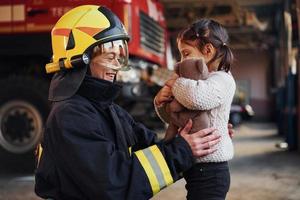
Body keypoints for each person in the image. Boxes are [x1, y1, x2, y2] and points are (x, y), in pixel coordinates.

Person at [34, 5, 222, 200]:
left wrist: (192, 135)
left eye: (119, 57)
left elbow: (149, 149)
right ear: (81, 59)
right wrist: (181, 150)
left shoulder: (109, 110)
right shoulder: (69, 116)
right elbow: (114, 184)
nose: (117, 66)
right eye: (109, 57)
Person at [154, 19, 236, 200]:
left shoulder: (222, 80)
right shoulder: (191, 84)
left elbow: (196, 98)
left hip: (212, 171)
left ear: (207, 51)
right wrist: (161, 103)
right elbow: (176, 118)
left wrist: (175, 82)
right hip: (195, 167)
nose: (182, 61)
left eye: (186, 54)